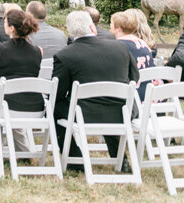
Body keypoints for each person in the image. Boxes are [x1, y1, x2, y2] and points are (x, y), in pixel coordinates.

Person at [54, 10, 138, 167]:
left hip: (84, 114)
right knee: (109, 104)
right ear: (92, 27)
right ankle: (120, 160)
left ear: (70, 32)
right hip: (122, 111)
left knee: (53, 107)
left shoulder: (64, 55)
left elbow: (57, 93)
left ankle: (75, 159)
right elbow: (135, 78)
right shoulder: (120, 47)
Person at [0, 9, 43, 153]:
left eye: (5, 22)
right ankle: (24, 151)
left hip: (6, 106)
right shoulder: (38, 51)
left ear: (11, 28)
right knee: (7, 105)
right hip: (35, 107)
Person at [111, 10, 154, 97]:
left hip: (131, 95)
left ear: (118, 28)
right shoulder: (143, 43)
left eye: (111, 24)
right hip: (148, 93)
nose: (110, 27)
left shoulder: (118, 46)